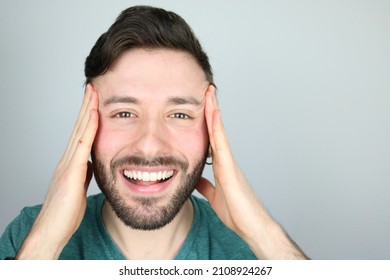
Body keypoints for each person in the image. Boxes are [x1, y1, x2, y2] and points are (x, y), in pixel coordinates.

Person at [0, 5, 308, 260]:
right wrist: (43, 246)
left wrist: (262, 234)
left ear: (213, 134)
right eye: (124, 113)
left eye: (178, 114)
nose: (149, 145)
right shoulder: (31, 237)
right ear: (86, 127)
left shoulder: (258, 253)